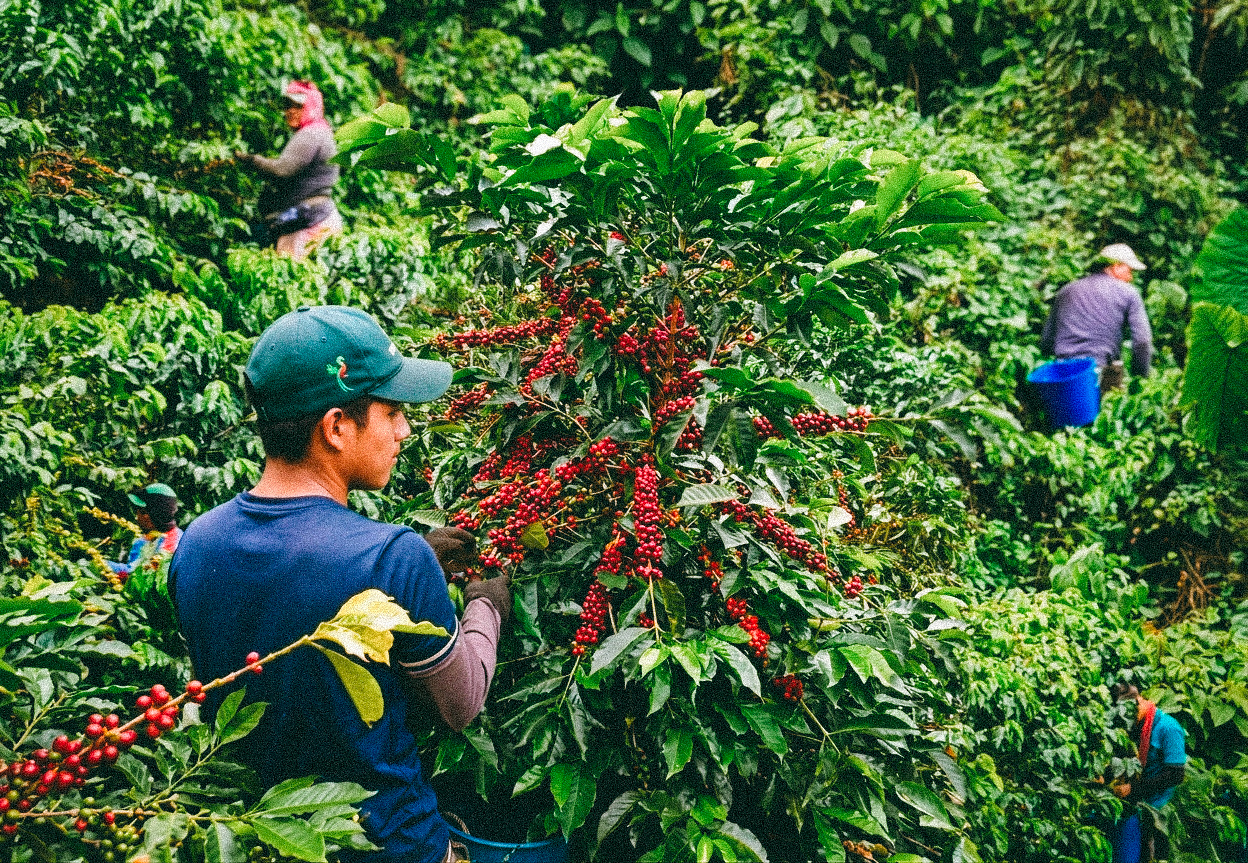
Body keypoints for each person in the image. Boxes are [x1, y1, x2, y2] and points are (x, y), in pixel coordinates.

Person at [169, 305, 509, 863]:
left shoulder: (198, 544)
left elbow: (274, 642)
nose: (404, 429)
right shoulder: (390, 558)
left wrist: (412, 568)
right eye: (392, 410)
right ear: (336, 426)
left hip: (259, 840)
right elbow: (459, 703)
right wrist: (485, 608)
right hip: (387, 845)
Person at [236, 81, 343, 260]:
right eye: (288, 106)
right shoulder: (322, 132)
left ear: (311, 106)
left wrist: (250, 160)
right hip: (317, 217)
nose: (291, 111)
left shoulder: (311, 134)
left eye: (298, 106)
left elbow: (283, 170)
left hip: (308, 223)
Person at [1040, 243, 1154, 395]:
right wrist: (1140, 379)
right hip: (1101, 372)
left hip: (1063, 375)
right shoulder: (1129, 293)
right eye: (1129, 270)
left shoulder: (1066, 291)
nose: (1131, 277)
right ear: (1116, 266)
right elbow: (1142, 341)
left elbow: (1046, 343)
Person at [1106, 683, 1188, 863]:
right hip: (1137, 800)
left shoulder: (1168, 727)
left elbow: (1175, 774)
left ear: (1138, 702)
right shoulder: (1135, 725)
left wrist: (1133, 788)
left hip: (1158, 805)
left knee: (1148, 853)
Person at [107, 482, 182, 578]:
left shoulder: (172, 543)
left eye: (140, 512)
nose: (137, 517)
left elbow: (136, 573)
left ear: (149, 514)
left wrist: (103, 564)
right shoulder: (143, 541)